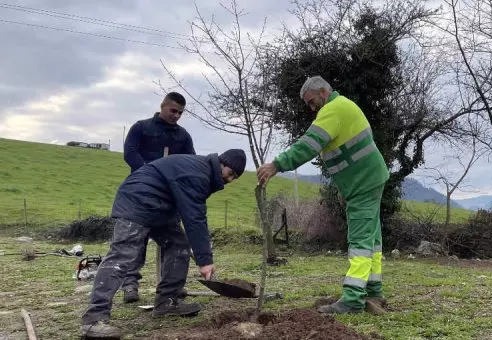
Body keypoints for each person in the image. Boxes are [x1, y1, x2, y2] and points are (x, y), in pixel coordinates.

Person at [80, 149, 247, 339]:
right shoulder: (199, 173)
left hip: (159, 207)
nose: (231, 180)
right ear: (222, 164)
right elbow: (195, 217)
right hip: (138, 200)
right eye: (231, 173)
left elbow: (183, 205)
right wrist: (205, 259)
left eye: (236, 177)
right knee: (122, 256)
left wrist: (197, 249)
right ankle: (93, 320)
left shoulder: (203, 172)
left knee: (179, 245)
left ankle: (166, 303)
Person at [257, 76, 389, 314]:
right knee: (372, 237)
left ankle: (353, 298)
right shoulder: (345, 106)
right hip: (368, 180)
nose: (311, 107)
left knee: (360, 241)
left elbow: (309, 144)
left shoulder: (333, 109)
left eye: (311, 101)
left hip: (363, 182)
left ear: (322, 92)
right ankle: (373, 289)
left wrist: (276, 165)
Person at [121, 92, 196, 303]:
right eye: (173, 111)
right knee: (136, 241)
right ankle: (130, 286)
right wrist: (149, 173)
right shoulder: (141, 127)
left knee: (174, 241)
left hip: (169, 198)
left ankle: (170, 285)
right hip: (141, 195)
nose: (176, 116)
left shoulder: (183, 137)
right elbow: (130, 153)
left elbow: (189, 163)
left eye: (180, 113)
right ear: (163, 106)